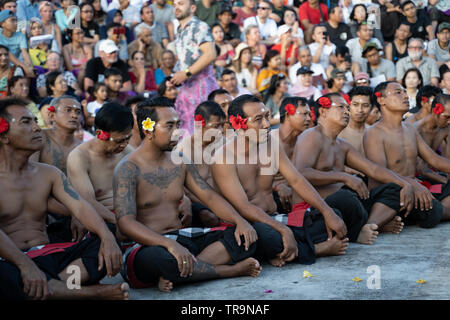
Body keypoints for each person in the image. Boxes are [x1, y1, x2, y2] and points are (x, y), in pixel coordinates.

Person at [113, 97, 260, 292]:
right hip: (146, 246)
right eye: (169, 126)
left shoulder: (180, 160)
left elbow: (208, 196)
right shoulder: (128, 168)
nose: (178, 132)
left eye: (178, 125)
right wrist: (168, 244)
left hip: (182, 237)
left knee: (245, 237)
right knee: (162, 259)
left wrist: (239, 220)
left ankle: (182, 272)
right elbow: (126, 223)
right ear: (148, 129)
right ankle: (229, 271)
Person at [0, 98, 128, 300]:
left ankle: (54, 291)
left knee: (104, 243)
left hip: (50, 254)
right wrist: (25, 266)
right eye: (26, 122)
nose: (36, 128)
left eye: (35, 120)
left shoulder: (49, 174)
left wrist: (107, 236)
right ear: (4, 134)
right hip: (11, 261)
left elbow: (81, 207)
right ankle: (89, 293)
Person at [211, 94, 350, 268]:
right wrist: (283, 230)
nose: (267, 125)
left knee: (332, 215)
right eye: (258, 120)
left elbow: (297, 180)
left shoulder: (270, 144)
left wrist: (326, 211)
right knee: (266, 235)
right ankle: (315, 249)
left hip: (276, 217)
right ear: (239, 124)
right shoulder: (224, 157)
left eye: (267, 117)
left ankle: (285, 250)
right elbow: (243, 207)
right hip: (251, 225)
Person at [292, 92, 415, 242]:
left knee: (393, 189)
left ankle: (370, 225)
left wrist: (404, 183)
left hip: (345, 204)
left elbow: (373, 169)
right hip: (315, 209)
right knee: (346, 197)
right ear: (323, 111)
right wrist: (344, 177)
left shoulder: (342, 146)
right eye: (341, 107)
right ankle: (361, 231)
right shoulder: (311, 136)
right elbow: (301, 174)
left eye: (347, 108)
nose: (346, 112)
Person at [364, 81, 450, 229]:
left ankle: (403, 218)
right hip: (389, 192)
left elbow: (434, 160)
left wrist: (414, 184)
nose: (405, 96)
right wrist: (410, 184)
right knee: (394, 191)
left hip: (414, 190)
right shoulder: (374, 133)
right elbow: (379, 173)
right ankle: (371, 225)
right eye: (398, 92)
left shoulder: (410, 129)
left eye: (404, 92)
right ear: (381, 100)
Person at [67, 102, 134, 227]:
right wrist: (123, 223)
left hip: (132, 215)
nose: (124, 144)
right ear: (100, 134)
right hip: (104, 220)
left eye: (128, 138)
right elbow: (87, 201)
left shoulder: (127, 151)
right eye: (119, 141)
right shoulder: (79, 157)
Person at [171, 0, 218, 134]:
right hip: (187, 88)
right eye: (174, 5)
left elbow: (210, 54)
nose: (176, 7)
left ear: (192, 8)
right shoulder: (180, 29)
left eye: (180, 3)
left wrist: (185, 73)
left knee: (203, 131)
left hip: (201, 87)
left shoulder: (199, 26)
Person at [31, 96, 82, 175]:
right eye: (68, 110)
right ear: (52, 116)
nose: (74, 115)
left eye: (78, 112)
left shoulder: (82, 147)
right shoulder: (39, 137)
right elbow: (29, 174)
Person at [410, 93, 450, 184]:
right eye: (447, 117)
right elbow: (421, 169)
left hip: (435, 172)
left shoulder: (446, 128)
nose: (449, 121)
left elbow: (448, 159)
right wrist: (445, 181)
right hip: (415, 178)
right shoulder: (415, 129)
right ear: (436, 111)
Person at [337, 86, 373, 158]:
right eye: (355, 105)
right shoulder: (339, 133)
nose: (360, 110)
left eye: (365, 105)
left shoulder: (373, 132)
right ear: (348, 106)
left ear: (371, 108)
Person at [0, 10, 34, 78]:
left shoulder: (21, 36)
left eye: (16, 20)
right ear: (2, 24)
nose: (16, 23)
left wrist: (29, 67)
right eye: (12, 20)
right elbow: (8, 54)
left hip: (15, 65)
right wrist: (24, 67)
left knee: (29, 71)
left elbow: (24, 53)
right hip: (2, 63)